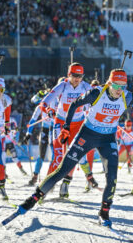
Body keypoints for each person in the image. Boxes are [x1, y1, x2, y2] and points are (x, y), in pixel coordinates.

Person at [17, 69, 133, 227]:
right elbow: (74, 105)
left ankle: (104, 213)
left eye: (123, 86)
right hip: (87, 134)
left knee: (112, 177)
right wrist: (66, 127)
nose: (120, 90)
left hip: (108, 138)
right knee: (63, 168)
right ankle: (32, 199)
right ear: (109, 83)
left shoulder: (128, 96)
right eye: (117, 86)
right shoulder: (96, 93)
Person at [40, 63, 98, 197]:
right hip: (61, 123)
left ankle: (65, 185)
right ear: (69, 75)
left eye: (80, 76)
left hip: (78, 124)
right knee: (59, 156)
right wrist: (49, 110)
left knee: (74, 156)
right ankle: (44, 188)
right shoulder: (63, 86)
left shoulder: (85, 86)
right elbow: (44, 102)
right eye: (74, 75)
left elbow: (99, 99)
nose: (77, 78)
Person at [23, 89, 54, 185]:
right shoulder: (40, 106)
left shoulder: (55, 102)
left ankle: (51, 176)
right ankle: (35, 176)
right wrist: (28, 134)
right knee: (41, 154)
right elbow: (32, 121)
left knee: (55, 154)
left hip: (54, 129)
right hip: (44, 130)